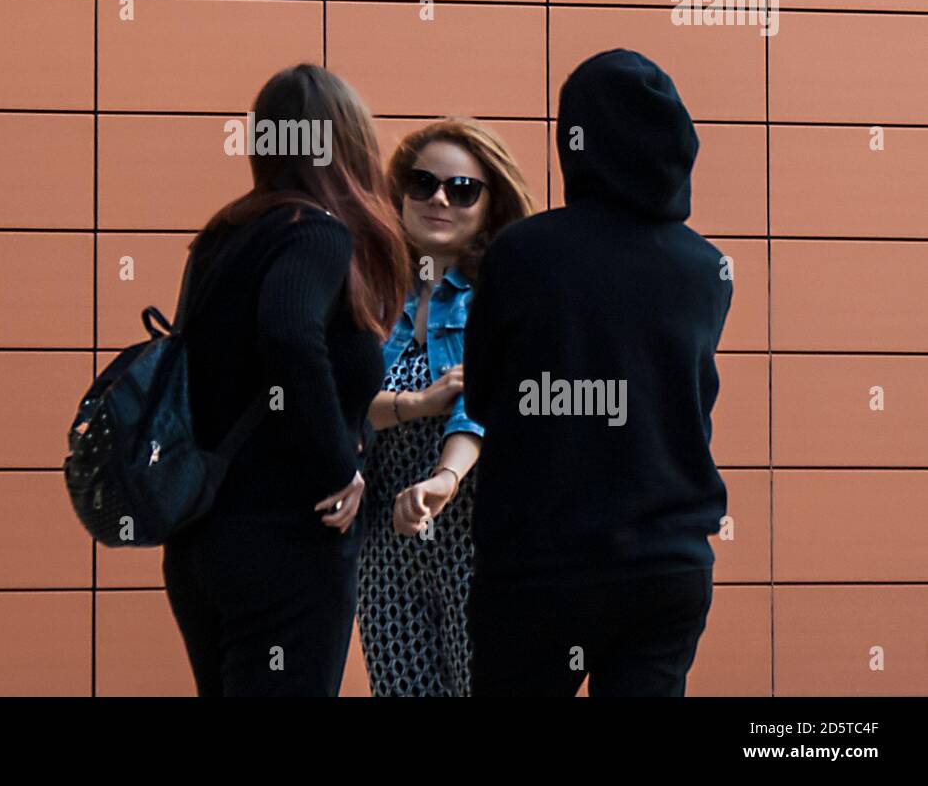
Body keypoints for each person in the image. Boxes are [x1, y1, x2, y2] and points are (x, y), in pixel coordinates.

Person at [463, 48, 732, 697]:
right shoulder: (706, 269)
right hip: (667, 564)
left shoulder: (523, 251)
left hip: (540, 563)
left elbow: (485, 392)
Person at [162, 63, 411, 697]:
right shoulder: (315, 234)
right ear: (350, 144)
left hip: (203, 542)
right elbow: (289, 335)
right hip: (286, 540)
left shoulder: (222, 236)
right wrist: (339, 468)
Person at [357, 120, 535, 696]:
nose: (438, 198)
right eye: (422, 183)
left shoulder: (500, 296)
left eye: (461, 190)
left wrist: (444, 477)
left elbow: (477, 406)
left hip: (476, 536)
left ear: (489, 207)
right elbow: (337, 402)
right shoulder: (371, 295)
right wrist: (417, 403)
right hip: (387, 540)